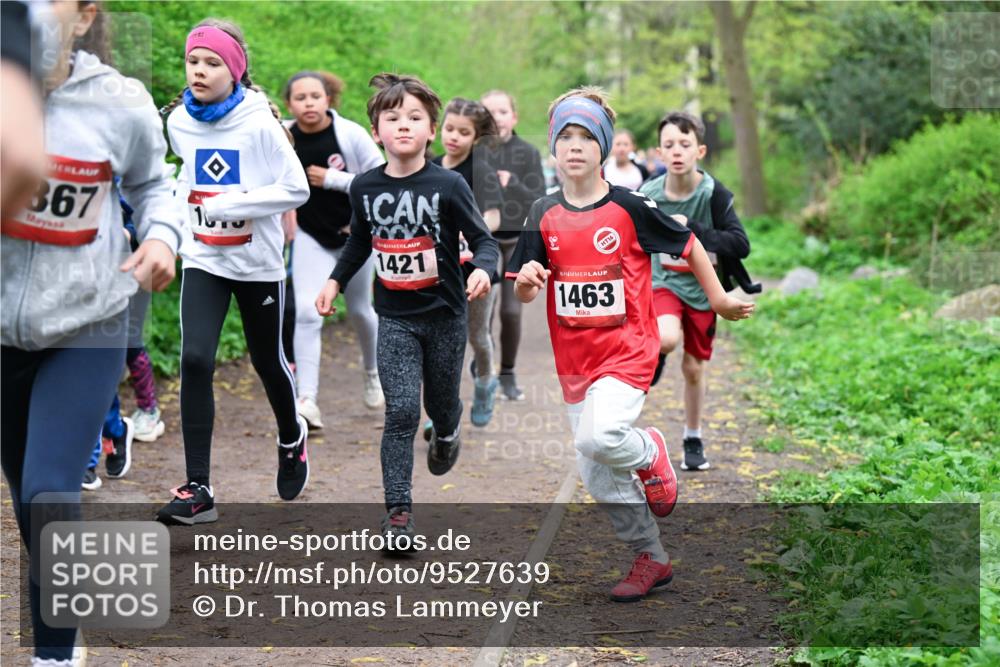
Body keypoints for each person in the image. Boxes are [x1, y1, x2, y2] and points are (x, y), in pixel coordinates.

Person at [507, 88, 754, 602]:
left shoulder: (630, 206)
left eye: (585, 136)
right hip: (574, 362)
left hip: (628, 350)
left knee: (600, 438)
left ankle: (650, 451)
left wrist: (719, 300)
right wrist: (528, 279)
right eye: (564, 138)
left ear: (602, 145)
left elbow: (688, 244)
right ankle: (652, 558)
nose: (574, 147)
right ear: (553, 148)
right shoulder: (542, 212)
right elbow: (527, 288)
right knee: (596, 474)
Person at [1, 2, 182, 663]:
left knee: (52, 489)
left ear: (84, 17)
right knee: (30, 502)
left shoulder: (119, 102)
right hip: (2, 333)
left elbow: (156, 187)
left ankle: (56, 652)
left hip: (90, 319)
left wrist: (162, 236)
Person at [316, 74, 498, 545]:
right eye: (392, 118)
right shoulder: (365, 187)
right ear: (375, 131)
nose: (403, 126)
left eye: (414, 118)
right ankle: (398, 513)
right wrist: (334, 282)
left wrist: (482, 268)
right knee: (400, 412)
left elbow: (483, 241)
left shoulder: (449, 183)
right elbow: (359, 241)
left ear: (431, 130)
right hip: (394, 317)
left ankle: (449, 430)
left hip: (445, 315)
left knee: (440, 405)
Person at [156, 18, 310, 526]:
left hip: (259, 265)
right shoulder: (179, 120)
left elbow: (297, 189)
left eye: (212, 63)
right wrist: (178, 220)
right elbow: (183, 173)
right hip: (204, 257)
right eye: (193, 61)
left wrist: (236, 202)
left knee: (268, 361)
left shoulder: (260, 123)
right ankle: (198, 488)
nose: (199, 71)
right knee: (196, 359)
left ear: (235, 70)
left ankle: (291, 436)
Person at [643, 111, 760, 472]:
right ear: (659, 154)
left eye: (685, 144)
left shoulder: (713, 194)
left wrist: (690, 229)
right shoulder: (647, 195)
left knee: (694, 369)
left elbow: (740, 245)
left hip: (704, 291)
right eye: (669, 145)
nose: (677, 151)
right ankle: (657, 353)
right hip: (663, 283)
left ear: (700, 150)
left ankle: (692, 436)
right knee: (665, 339)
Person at [283, 70, 385, 427]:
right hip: (311, 237)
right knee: (309, 313)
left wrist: (333, 179)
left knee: (360, 311)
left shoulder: (350, 134)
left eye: (315, 96)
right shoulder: (283, 135)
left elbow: (383, 178)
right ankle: (306, 399)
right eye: (300, 97)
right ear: (289, 104)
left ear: (329, 98)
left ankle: (372, 372)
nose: (308, 103)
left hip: (355, 237)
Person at [432, 98, 504, 426]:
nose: (454, 137)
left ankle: (486, 382)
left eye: (463, 132)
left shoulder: (481, 172)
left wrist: (469, 233)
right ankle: (440, 410)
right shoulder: (430, 167)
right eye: (449, 129)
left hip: (477, 266)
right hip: (439, 266)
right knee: (442, 338)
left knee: (476, 335)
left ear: (476, 138)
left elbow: (493, 217)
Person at [481, 89, 546, 401]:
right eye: (489, 112)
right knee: (482, 312)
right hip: (485, 240)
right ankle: (483, 369)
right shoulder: (475, 151)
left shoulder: (528, 153)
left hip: (518, 239)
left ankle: (507, 373)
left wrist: (513, 183)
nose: (496, 118)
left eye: (502, 111)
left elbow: (541, 201)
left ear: (514, 117)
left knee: (511, 311)